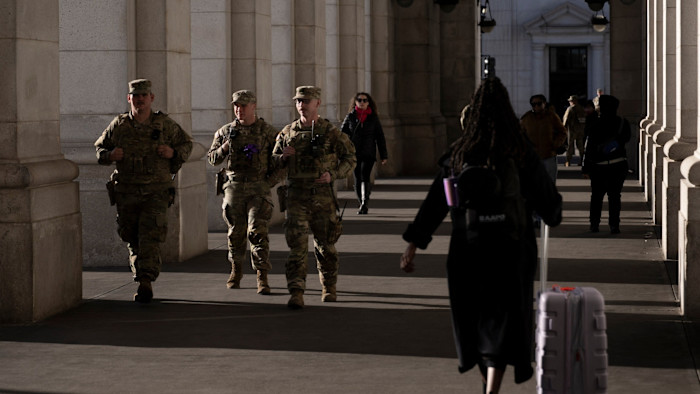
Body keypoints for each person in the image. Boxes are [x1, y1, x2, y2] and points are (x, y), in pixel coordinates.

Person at [400, 77, 562, 393]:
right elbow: (547, 200)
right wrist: (551, 213)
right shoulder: (519, 150)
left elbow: (435, 203)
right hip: (511, 247)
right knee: (502, 317)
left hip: (467, 248)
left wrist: (413, 245)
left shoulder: (459, 154)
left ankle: (487, 380)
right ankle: (493, 384)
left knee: (475, 317)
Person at [95, 79, 193, 303]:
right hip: (127, 192)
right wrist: (110, 156)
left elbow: (186, 144)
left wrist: (172, 153)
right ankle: (140, 275)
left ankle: (145, 280)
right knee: (132, 238)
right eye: (135, 96)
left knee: (150, 236)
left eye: (144, 95)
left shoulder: (164, 124)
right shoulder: (119, 125)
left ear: (151, 98)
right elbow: (99, 148)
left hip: (155, 192)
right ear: (129, 98)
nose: (140, 99)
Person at [272, 86, 356, 309]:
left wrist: (334, 174)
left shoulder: (330, 132)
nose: (302, 104)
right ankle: (296, 291)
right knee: (297, 247)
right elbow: (272, 159)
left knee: (326, 245)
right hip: (296, 197)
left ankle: (329, 286)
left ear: (317, 103)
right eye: (299, 101)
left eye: (306, 101)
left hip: (322, 198)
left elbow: (350, 157)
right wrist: (282, 157)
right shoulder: (288, 132)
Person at [207, 90, 281, 294]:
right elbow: (212, 158)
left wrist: (270, 182)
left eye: (243, 106)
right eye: (236, 106)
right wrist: (224, 147)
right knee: (235, 232)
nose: (239, 110)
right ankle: (236, 270)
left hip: (258, 187)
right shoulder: (225, 131)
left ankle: (262, 275)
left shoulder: (267, 132)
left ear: (253, 106)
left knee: (257, 231)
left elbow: (282, 160)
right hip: (234, 187)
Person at [582, 94, 631, 234]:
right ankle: (614, 225)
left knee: (596, 197)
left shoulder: (594, 124)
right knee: (615, 196)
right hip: (618, 164)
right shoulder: (623, 122)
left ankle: (594, 224)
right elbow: (626, 139)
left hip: (599, 166)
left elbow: (589, 148)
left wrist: (585, 168)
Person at [340, 92, 388, 214]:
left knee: (365, 175)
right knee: (357, 177)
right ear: (355, 102)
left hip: (368, 152)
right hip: (354, 152)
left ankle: (364, 203)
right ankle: (360, 200)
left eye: (365, 100)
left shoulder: (373, 118)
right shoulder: (350, 117)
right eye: (359, 100)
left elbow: (380, 137)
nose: (362, 102)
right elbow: (342, 134)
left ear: (368, 102)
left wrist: (384, 155)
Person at [520, 94, 567, 182]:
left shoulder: (552, 116)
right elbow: (520, 135)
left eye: (539, 103)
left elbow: (562, 132)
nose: (536, 106)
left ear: (544, 103)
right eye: (534, 104)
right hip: (532, 158)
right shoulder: (526, 118)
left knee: (550, 184)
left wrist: (556, 144)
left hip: (548, 155)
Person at [562, 95, 586, 166]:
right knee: (580, 146)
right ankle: (582, 160)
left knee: (570, 146)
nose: (569, 102)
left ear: (573, 101)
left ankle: (568, 161)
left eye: (570, 101)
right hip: (580, 130)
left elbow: (565, 120)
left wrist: (563, 128)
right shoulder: (581, 108)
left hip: (572, 130)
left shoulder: (570, 109)